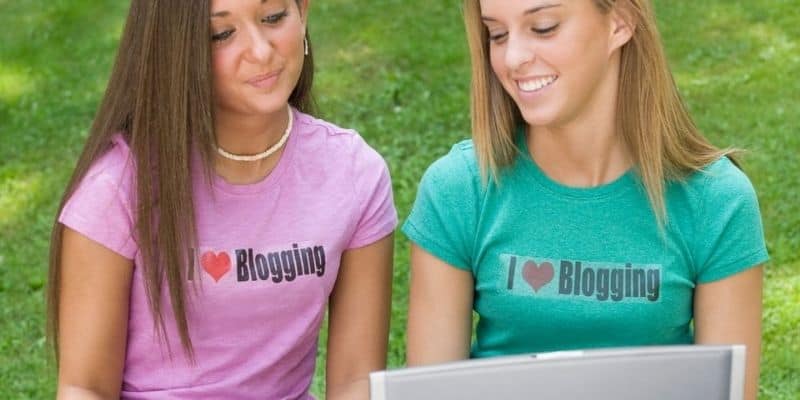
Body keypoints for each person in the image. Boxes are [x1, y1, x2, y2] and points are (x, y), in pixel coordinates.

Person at [403, 1, 767, 399]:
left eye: (543, 27)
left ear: (620, 22)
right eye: (498, 34)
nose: (514, 58)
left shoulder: (716, 201)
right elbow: (430, 392)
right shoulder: (459, 189)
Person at [46, 0, 396, 398]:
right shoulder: (117, 190)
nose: (261, 51)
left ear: (303, 12)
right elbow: (85, 387)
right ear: (176, 50)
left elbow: (356, 381)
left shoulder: (353, 173)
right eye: (221, 34)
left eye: (273, 18)